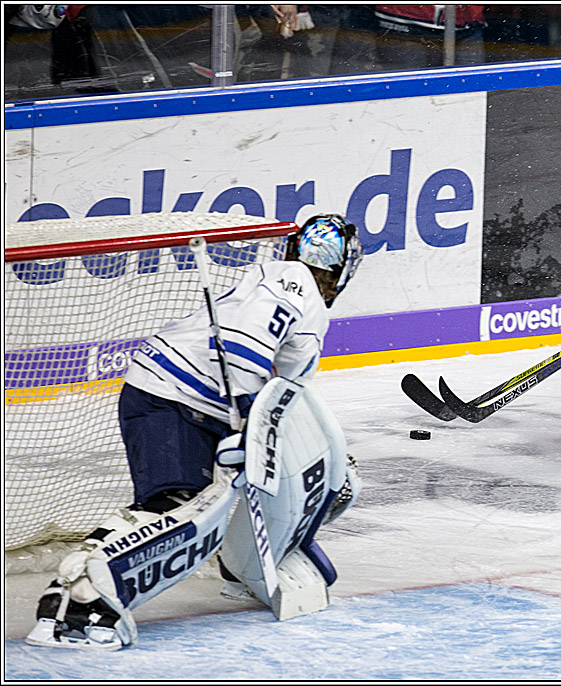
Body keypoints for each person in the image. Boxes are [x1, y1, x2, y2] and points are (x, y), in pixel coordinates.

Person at [26, 214, 365, 650]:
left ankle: (85, 580)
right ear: (343, 270)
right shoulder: (293, 281)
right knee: (180, 507)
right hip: (177, 398)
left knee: (172, 504)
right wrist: (248, 424)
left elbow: (282, 395)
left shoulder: (286, 285)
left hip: (171, 393)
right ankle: (78, 606)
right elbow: (243, 348)